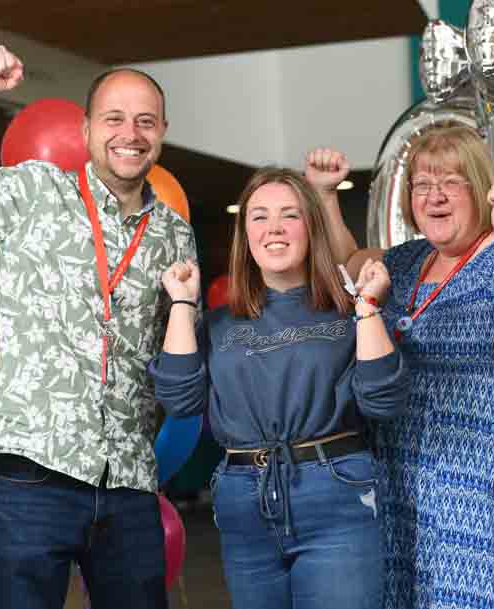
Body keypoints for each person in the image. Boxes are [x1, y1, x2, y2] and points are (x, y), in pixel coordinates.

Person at [0, 45, 196, 609]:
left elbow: (174, 362)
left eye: (145, 121)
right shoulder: (34, 192)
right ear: (85, 128)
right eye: (114, 118)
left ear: (162, 132)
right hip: (34, 475)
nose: (130, 133)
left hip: (128, 478)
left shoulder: (174, 234)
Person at [149, 158, 410, 609]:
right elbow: (178, 397)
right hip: (241, 500)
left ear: (311, 228)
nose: (275, 228)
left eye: (290, 215)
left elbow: (384, 401)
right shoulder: (219, 323)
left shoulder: (348, 313)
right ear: (245, 235)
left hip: (336, 494)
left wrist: (368, 309)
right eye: (260, 216)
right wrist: (180, 306)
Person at [342, 125, 494, 609]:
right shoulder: (408, 260)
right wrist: (325, 198)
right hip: (409, 470)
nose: (435, 196)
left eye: (451, 182)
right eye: (422, 185)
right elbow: (346, 264)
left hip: (491, 468)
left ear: (481, 188)